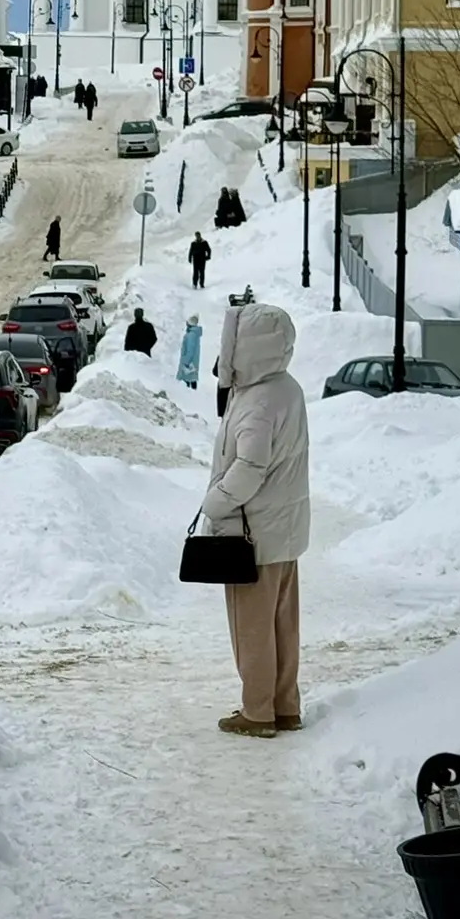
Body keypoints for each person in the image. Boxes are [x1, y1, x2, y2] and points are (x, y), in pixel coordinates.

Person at [200, 302, 309, 739]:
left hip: (253, 534)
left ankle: (257, 712)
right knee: (283, 624)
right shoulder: (286, 388)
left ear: (247, 347)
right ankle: (285, 706)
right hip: (283, 530)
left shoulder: (257, 402)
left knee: (253, 628)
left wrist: (213, 504)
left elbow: (248, 468)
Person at [177, 315, 203, 387]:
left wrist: (185, 361)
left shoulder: (191, 335)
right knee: (192, 379)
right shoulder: (194, 334)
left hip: (188, 363)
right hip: (192, 363)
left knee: (187, 382)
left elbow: (190, 351)